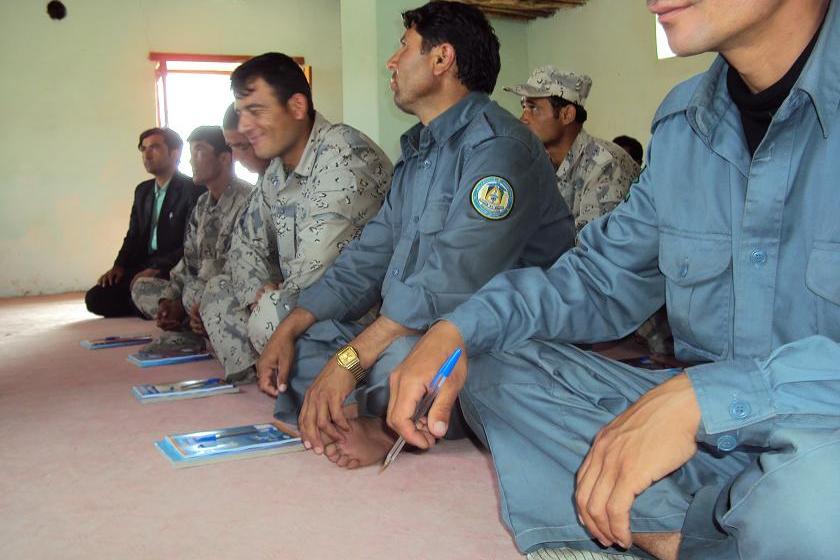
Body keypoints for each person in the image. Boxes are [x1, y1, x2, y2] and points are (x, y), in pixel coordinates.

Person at [385, 0, 839, 559]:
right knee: (485, 361)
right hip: (707, 435)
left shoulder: (503, 148)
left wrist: (706, 397)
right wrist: (457, 330)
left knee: (810, 506)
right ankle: (698, 530)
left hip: (818, 431)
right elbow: (599, 277)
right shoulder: (687, 122)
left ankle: (687, 529)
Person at [258, 0, 574, 469]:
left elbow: (454, 278)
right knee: (313, 335)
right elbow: (368, 256)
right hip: (417, 324)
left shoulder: (501, 148)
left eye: (403, 47)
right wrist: (291, 325)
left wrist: (350, 361)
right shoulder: (420, 153)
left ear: (442, 58)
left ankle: (386, 424)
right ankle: (365, 408)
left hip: (498, 336)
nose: (391, 62)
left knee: (402, 358)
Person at [200, 53, 393, 382]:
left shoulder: (344, 153)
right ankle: (269, 373)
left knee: (274, 318)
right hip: (297, 300)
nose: (244, 126)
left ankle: (315, 374)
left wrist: (273, 300)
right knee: (218, 290)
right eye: (241, 113)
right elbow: (244, 245)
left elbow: (320, 273)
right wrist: (257, 292)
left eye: (255, 111)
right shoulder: (276, 170)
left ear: (297, 107)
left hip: (352, 314)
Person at [130, 126, 251, 334]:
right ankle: (187, 319)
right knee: (142, 288)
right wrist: (169, 299)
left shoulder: (248, 200)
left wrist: (184, 299)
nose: (191, 161)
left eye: (199, 151)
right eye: (191, 153)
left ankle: (192, 320)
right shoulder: (202, 204)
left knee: (196, 292)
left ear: (224, 158)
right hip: (197, 290)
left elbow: (237, 268)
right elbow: (189, 260)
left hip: (229, 291)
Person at [85, 128, 204, 317]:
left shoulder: (192, 190)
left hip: (173, 268)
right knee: (95, 298)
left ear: (175, 153)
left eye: (154, 147)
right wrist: (119, 266)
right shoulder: (143, 191)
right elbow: (133, 235)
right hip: (143, 266)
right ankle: (146, 303)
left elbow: (190, 245)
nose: (147, 155)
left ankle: (156, 304)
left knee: (142, 291)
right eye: (143, 149)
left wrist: (157, 269)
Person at [506, 67, 640, 236]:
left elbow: (594, 245)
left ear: (567, 115)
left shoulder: (605, 165)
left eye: (533, 108)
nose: (523, 119)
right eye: (523, 107)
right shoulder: (537, 163)